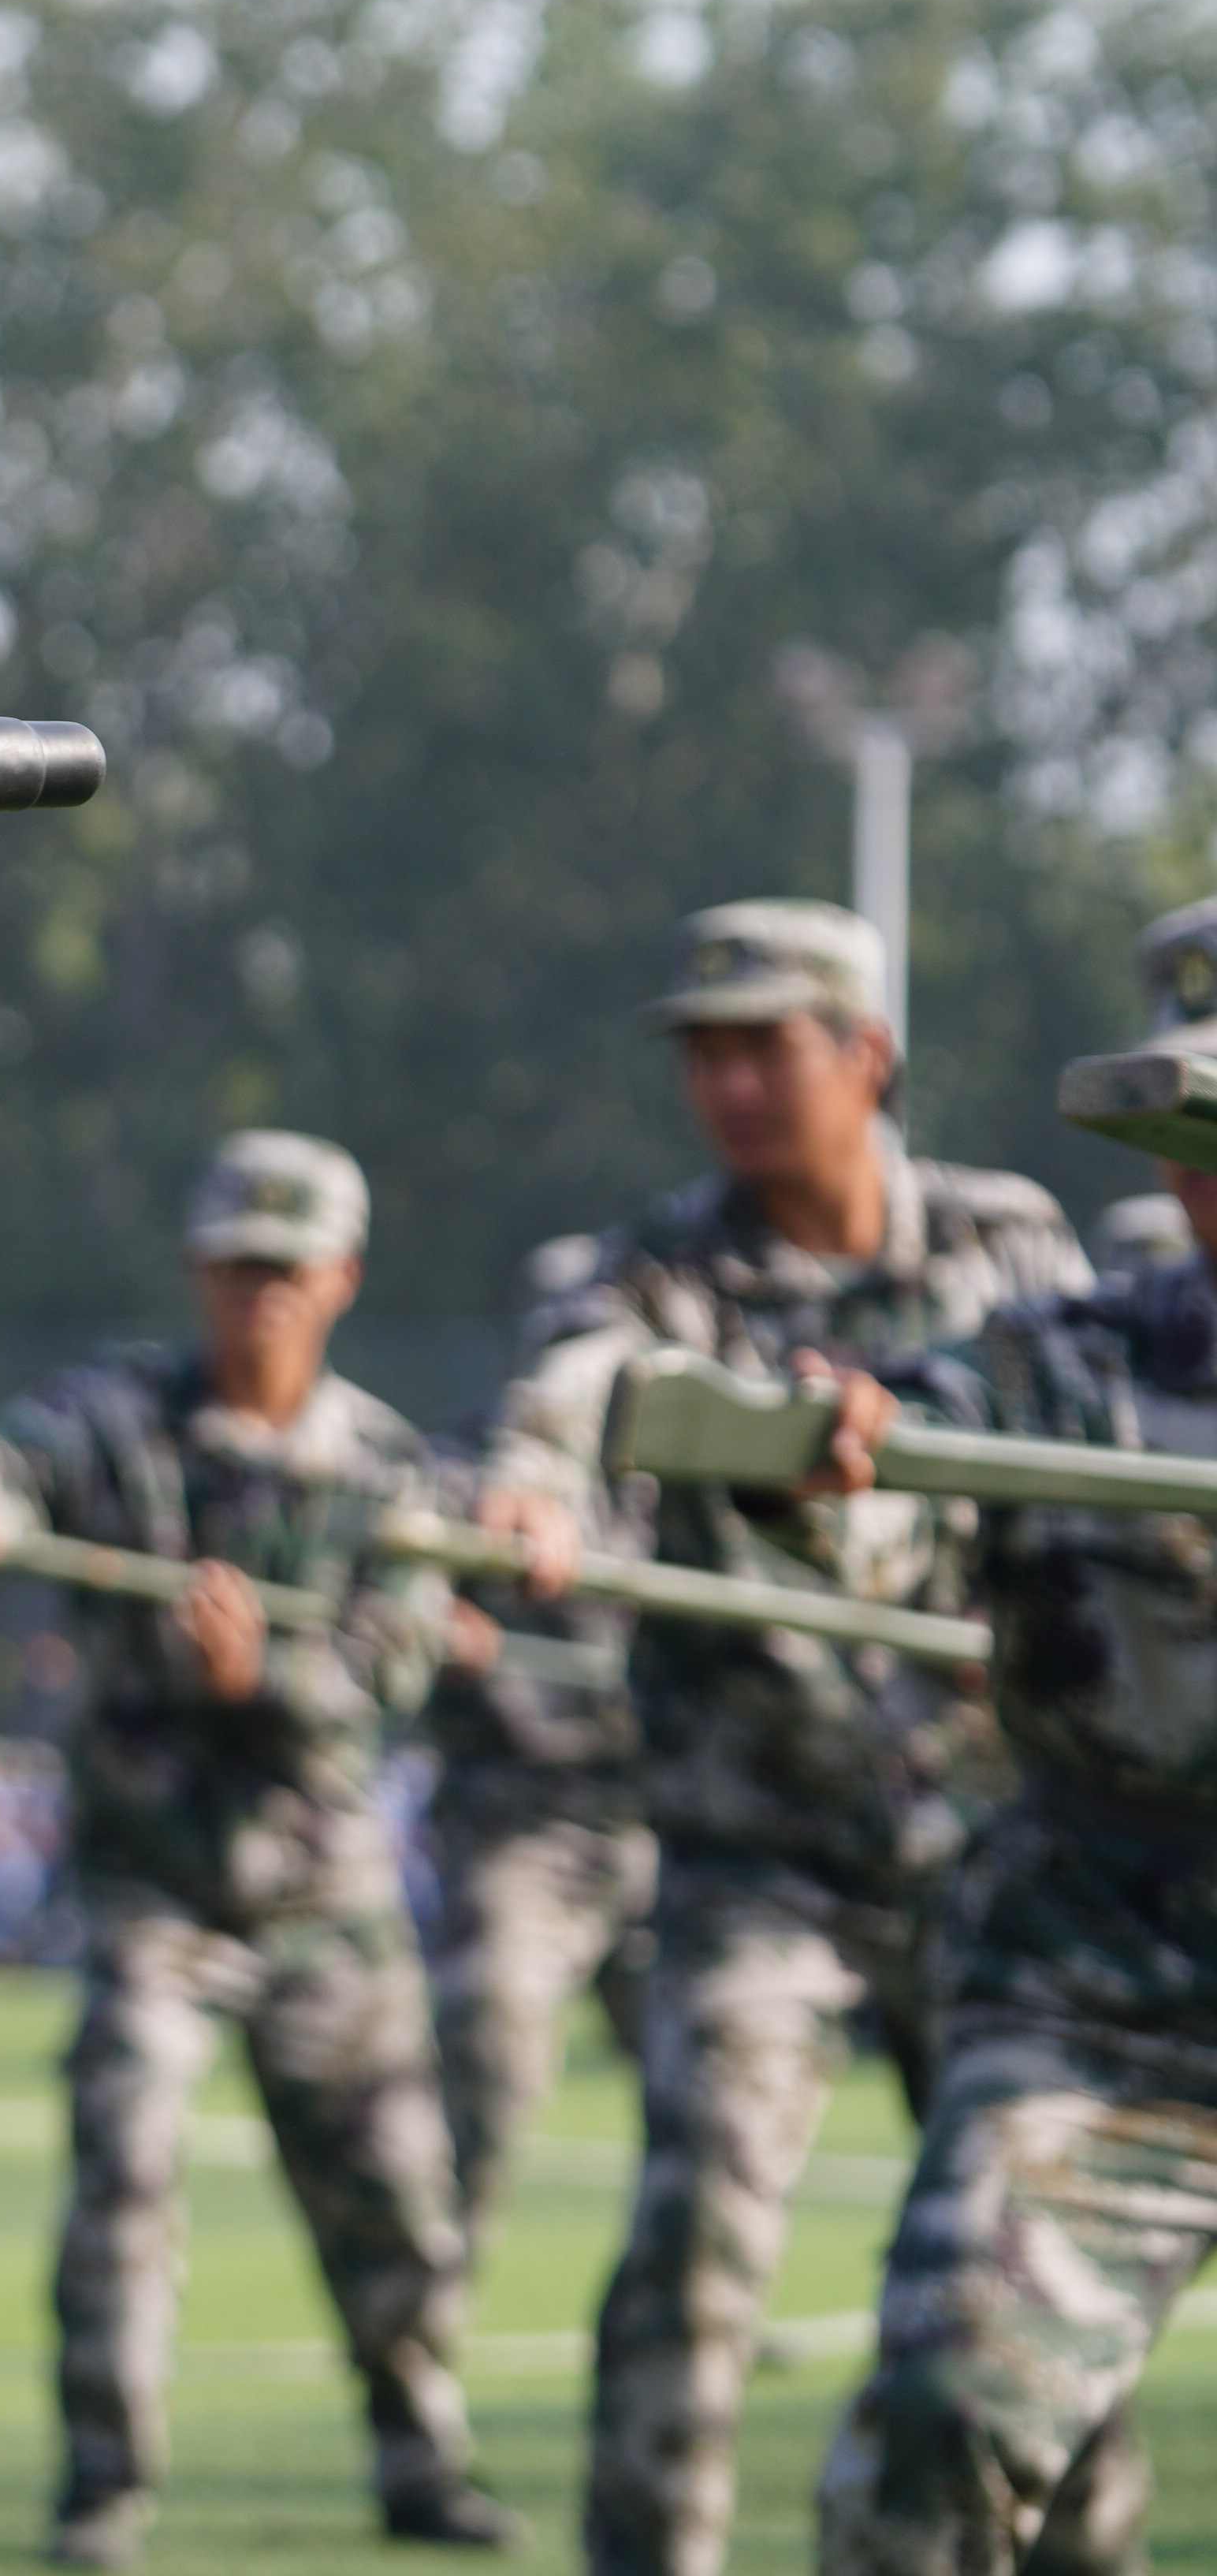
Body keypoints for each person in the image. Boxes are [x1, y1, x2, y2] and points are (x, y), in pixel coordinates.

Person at [487, 900, 1085, 2576]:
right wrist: (532, 1488)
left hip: (995, 1855)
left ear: (867, 1055)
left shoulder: (1008, 1241)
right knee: (692, 2253)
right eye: (706, 1054)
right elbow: (578, 1380)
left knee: (1036, 2294)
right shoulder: (653, 1271)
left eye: (766, 1047)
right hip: (759, 1862)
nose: (732, 1086)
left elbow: (1087, 1424)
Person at [0, 1135, 512, 2568]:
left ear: (342, 1280)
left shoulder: (386, 1475)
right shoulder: (121, 1420)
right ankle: (104, 2489)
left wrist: (260, 1678)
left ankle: (422, 2459)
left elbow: (390, 1674)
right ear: (197, 1272)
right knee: (124, 2173)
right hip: (152, 1888)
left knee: (394, 2200)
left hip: (323, 1888)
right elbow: (0, 1457)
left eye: (287, 1271)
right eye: (237, 1268)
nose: (260, 1296)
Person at [803, 895, 1217, 2574]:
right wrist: (831, 1456)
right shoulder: (1063, 1367)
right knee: (940, 2424)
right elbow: (895, 1479)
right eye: (1187, 1135)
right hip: (1102, 1993)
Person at [422, 1228, 655, 2283]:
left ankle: (686, 2295)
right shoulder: (463, 1470)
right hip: (522, 1817)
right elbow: (392, 1598)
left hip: (672, 1809)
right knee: (490, 2041)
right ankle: (436, 2280)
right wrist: (437, 1625)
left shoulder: (681, 1473)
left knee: (714, 2078)